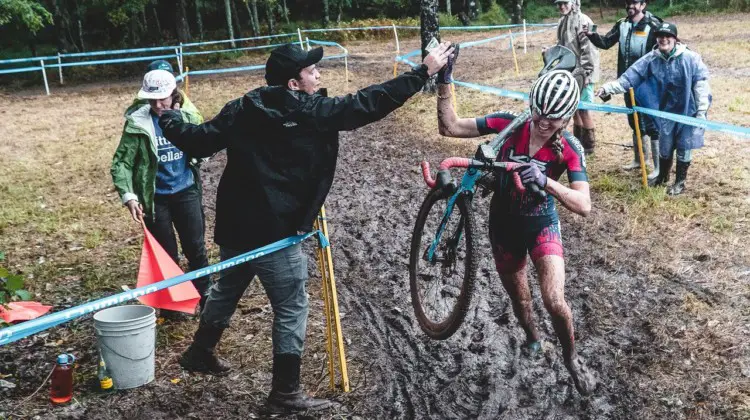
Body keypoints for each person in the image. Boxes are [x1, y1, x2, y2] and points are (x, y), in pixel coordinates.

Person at [157, 42, 453, 412]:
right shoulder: (314, 112)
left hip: (236, 224)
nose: (318, 75)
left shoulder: (243, 106)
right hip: (275, 232)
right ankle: (284, 393)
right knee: (292, 306)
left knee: (228, 286)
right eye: (311, 71)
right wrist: (422, 72)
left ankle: (201, 351)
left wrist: (168, 116)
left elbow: (198, 140)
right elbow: (370, 103)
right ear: (293, 84)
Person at [436, 56, 596, 395]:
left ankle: (572, 358)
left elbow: (584, 204)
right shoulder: (509, 124)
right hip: (503, 225)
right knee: (521, 300)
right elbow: (450, 126)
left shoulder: (569, 147)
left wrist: (546, 181)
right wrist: (444, 80)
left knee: (554, 300)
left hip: (541, 224)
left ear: (566, 119)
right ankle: (533, 339)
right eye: (537, 112)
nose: (540, 122)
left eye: (551, 119)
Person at [111, 69, 211, 315]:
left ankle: (207, 297)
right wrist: (130, 197)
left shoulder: (188, 117)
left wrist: (202, 153)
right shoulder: (138, 122)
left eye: (163, 98)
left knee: (196, 247)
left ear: (174, 94)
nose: (158, 105)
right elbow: (121, 163)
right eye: (152, 100)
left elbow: (204, 144)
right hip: (155, 199)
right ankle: (173, 303)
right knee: (167, 255)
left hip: (186, 190)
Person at [596, 22, 711, 195]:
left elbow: (701, 84)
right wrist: (607, 88)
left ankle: (680, 182)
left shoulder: (690, 58)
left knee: (684, 146)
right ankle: (663, 177)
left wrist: (701, 112)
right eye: (660, 36)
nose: (663, 39)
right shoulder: (652, 59)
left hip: (689, 111)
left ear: (675, 39)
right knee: (665, 147)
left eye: (668, 36)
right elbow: (630, 77)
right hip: (665, 112)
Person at [582, 0, 662, 177]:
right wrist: (590, 34)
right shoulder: (622, 24)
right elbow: (605, 42)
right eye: (627, 2)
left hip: (648, 84)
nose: (630, 5)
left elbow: (663, 50)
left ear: (643, 5)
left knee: (652, 125)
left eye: (634, 2)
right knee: (634, 122)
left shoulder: (654, 25)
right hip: (626, 83)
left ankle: (658, 168)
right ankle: (639, 159)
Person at [552, 0, 600, 155]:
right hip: (570, 72)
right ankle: (577, 143)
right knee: (574, 109)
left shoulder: (583, 20)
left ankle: (589, 146)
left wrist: (587, 72)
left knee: (584, 109)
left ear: (573, 3)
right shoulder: (562, 21)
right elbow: (562, 46)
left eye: (565, 2)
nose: (561, 6)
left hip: (584, 73)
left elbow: (589, 49)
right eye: (559, 3)